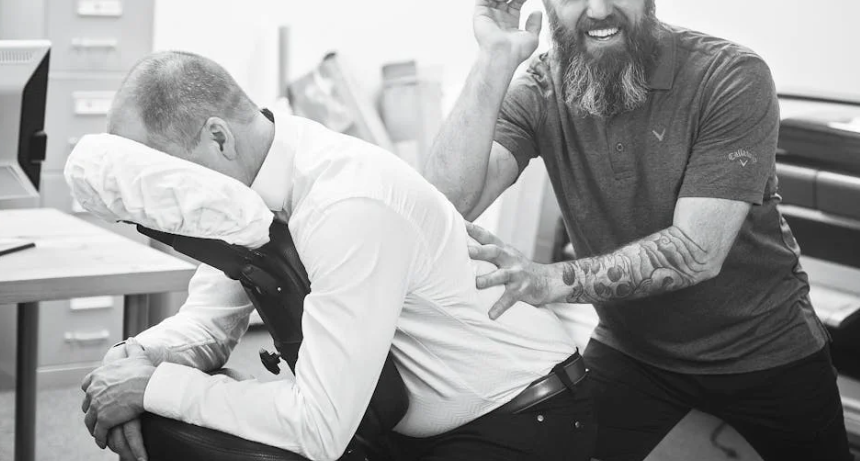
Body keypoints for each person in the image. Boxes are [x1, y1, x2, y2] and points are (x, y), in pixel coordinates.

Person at [424, 0, 853, 461]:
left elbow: (696, 252)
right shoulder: (540, 88)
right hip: (635, 351)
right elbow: (445, 203)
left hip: (764, 347)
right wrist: (493, 61)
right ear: (548, 1)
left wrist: (548, 280)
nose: (599, 8)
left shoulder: (730, 76)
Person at [78, 51, 595, 461]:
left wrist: (153, 386)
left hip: (524, 420)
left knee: (175, 404)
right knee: (168, 415)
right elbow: (207, 326)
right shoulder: (241, 195)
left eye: (160, 174)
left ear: (218, 137)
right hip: (398, 422)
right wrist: (135, 360)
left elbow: (318, 426)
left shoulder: (346, 203)